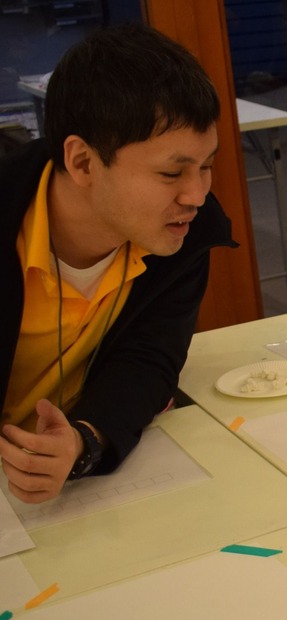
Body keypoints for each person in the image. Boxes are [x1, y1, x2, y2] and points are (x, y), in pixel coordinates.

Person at [0, 24, 234, 505]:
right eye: (171, 172)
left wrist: (83, 441)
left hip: (67, 494)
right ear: (83, 162)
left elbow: (149, 358)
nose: (196, 195)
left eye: (206, 165)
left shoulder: (183, 232)